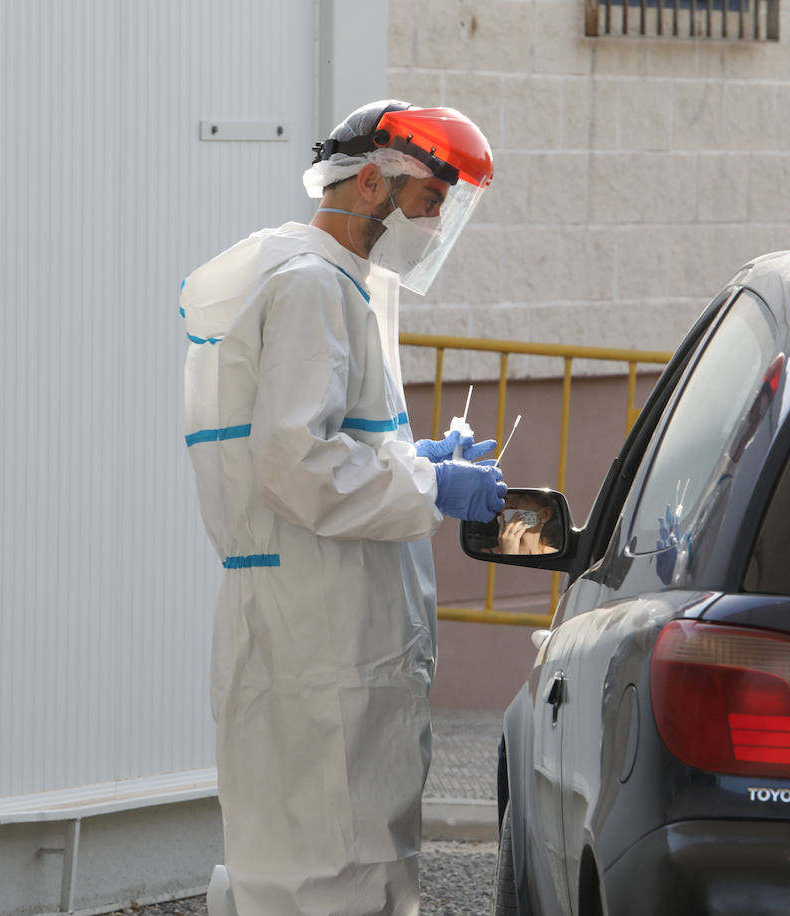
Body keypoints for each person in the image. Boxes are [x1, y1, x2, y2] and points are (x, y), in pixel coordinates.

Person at [181, 100, 505, 916]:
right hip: (320, 636)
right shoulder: (310, 287)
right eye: (430, 202)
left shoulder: (325, 282)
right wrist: (432, 487)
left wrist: (414, 459)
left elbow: (326, 441)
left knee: (322, 860)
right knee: (324, 871)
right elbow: (297, 464)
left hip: (320, 626)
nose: (433, 227)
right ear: (370, 182)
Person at [496, 490, 562, 555]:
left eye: (521, 496)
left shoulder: (556, 556)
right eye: (505, 499)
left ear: (545, 514)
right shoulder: (488, 555)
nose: (506, 505)